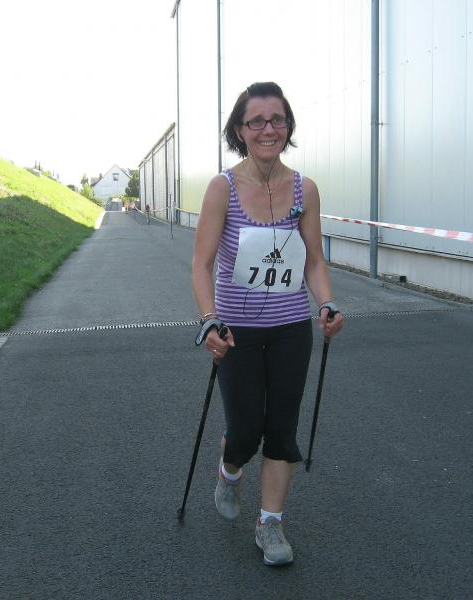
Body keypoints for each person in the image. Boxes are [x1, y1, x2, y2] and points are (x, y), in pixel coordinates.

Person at [191, 81, 344, 566]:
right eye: (255, 121)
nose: (267, 129)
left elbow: (314, 260)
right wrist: (209, 321)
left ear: (288, 126)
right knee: (244, 432)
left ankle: (270, 523)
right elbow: (202, 264)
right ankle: (230, 468)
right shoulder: (223, 188)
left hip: (290, 330)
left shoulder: (304, 189)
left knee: (281, 430)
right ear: (240, 130)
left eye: (277, 119)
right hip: (236, 332)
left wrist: (326, 303)